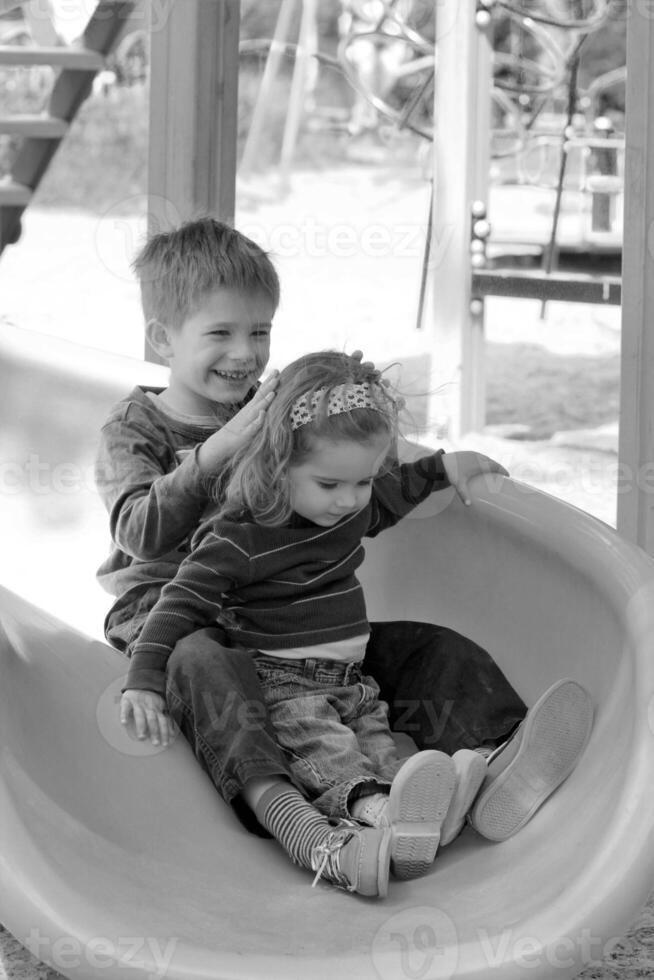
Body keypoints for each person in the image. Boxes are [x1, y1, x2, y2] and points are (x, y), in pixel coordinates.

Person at [94, 217, 579, 898]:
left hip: (288, 629)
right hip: (173, 619)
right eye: (221, 333)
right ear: (162, 339)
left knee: (421, 649)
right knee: (212, 663)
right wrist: (220, 447)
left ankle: (498, 759)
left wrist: (438, 466)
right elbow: (139, 531)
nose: (245, 352)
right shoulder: (137, 429)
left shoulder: (280, 413)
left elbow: (360, 474)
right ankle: (300, 818)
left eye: (259, 332)